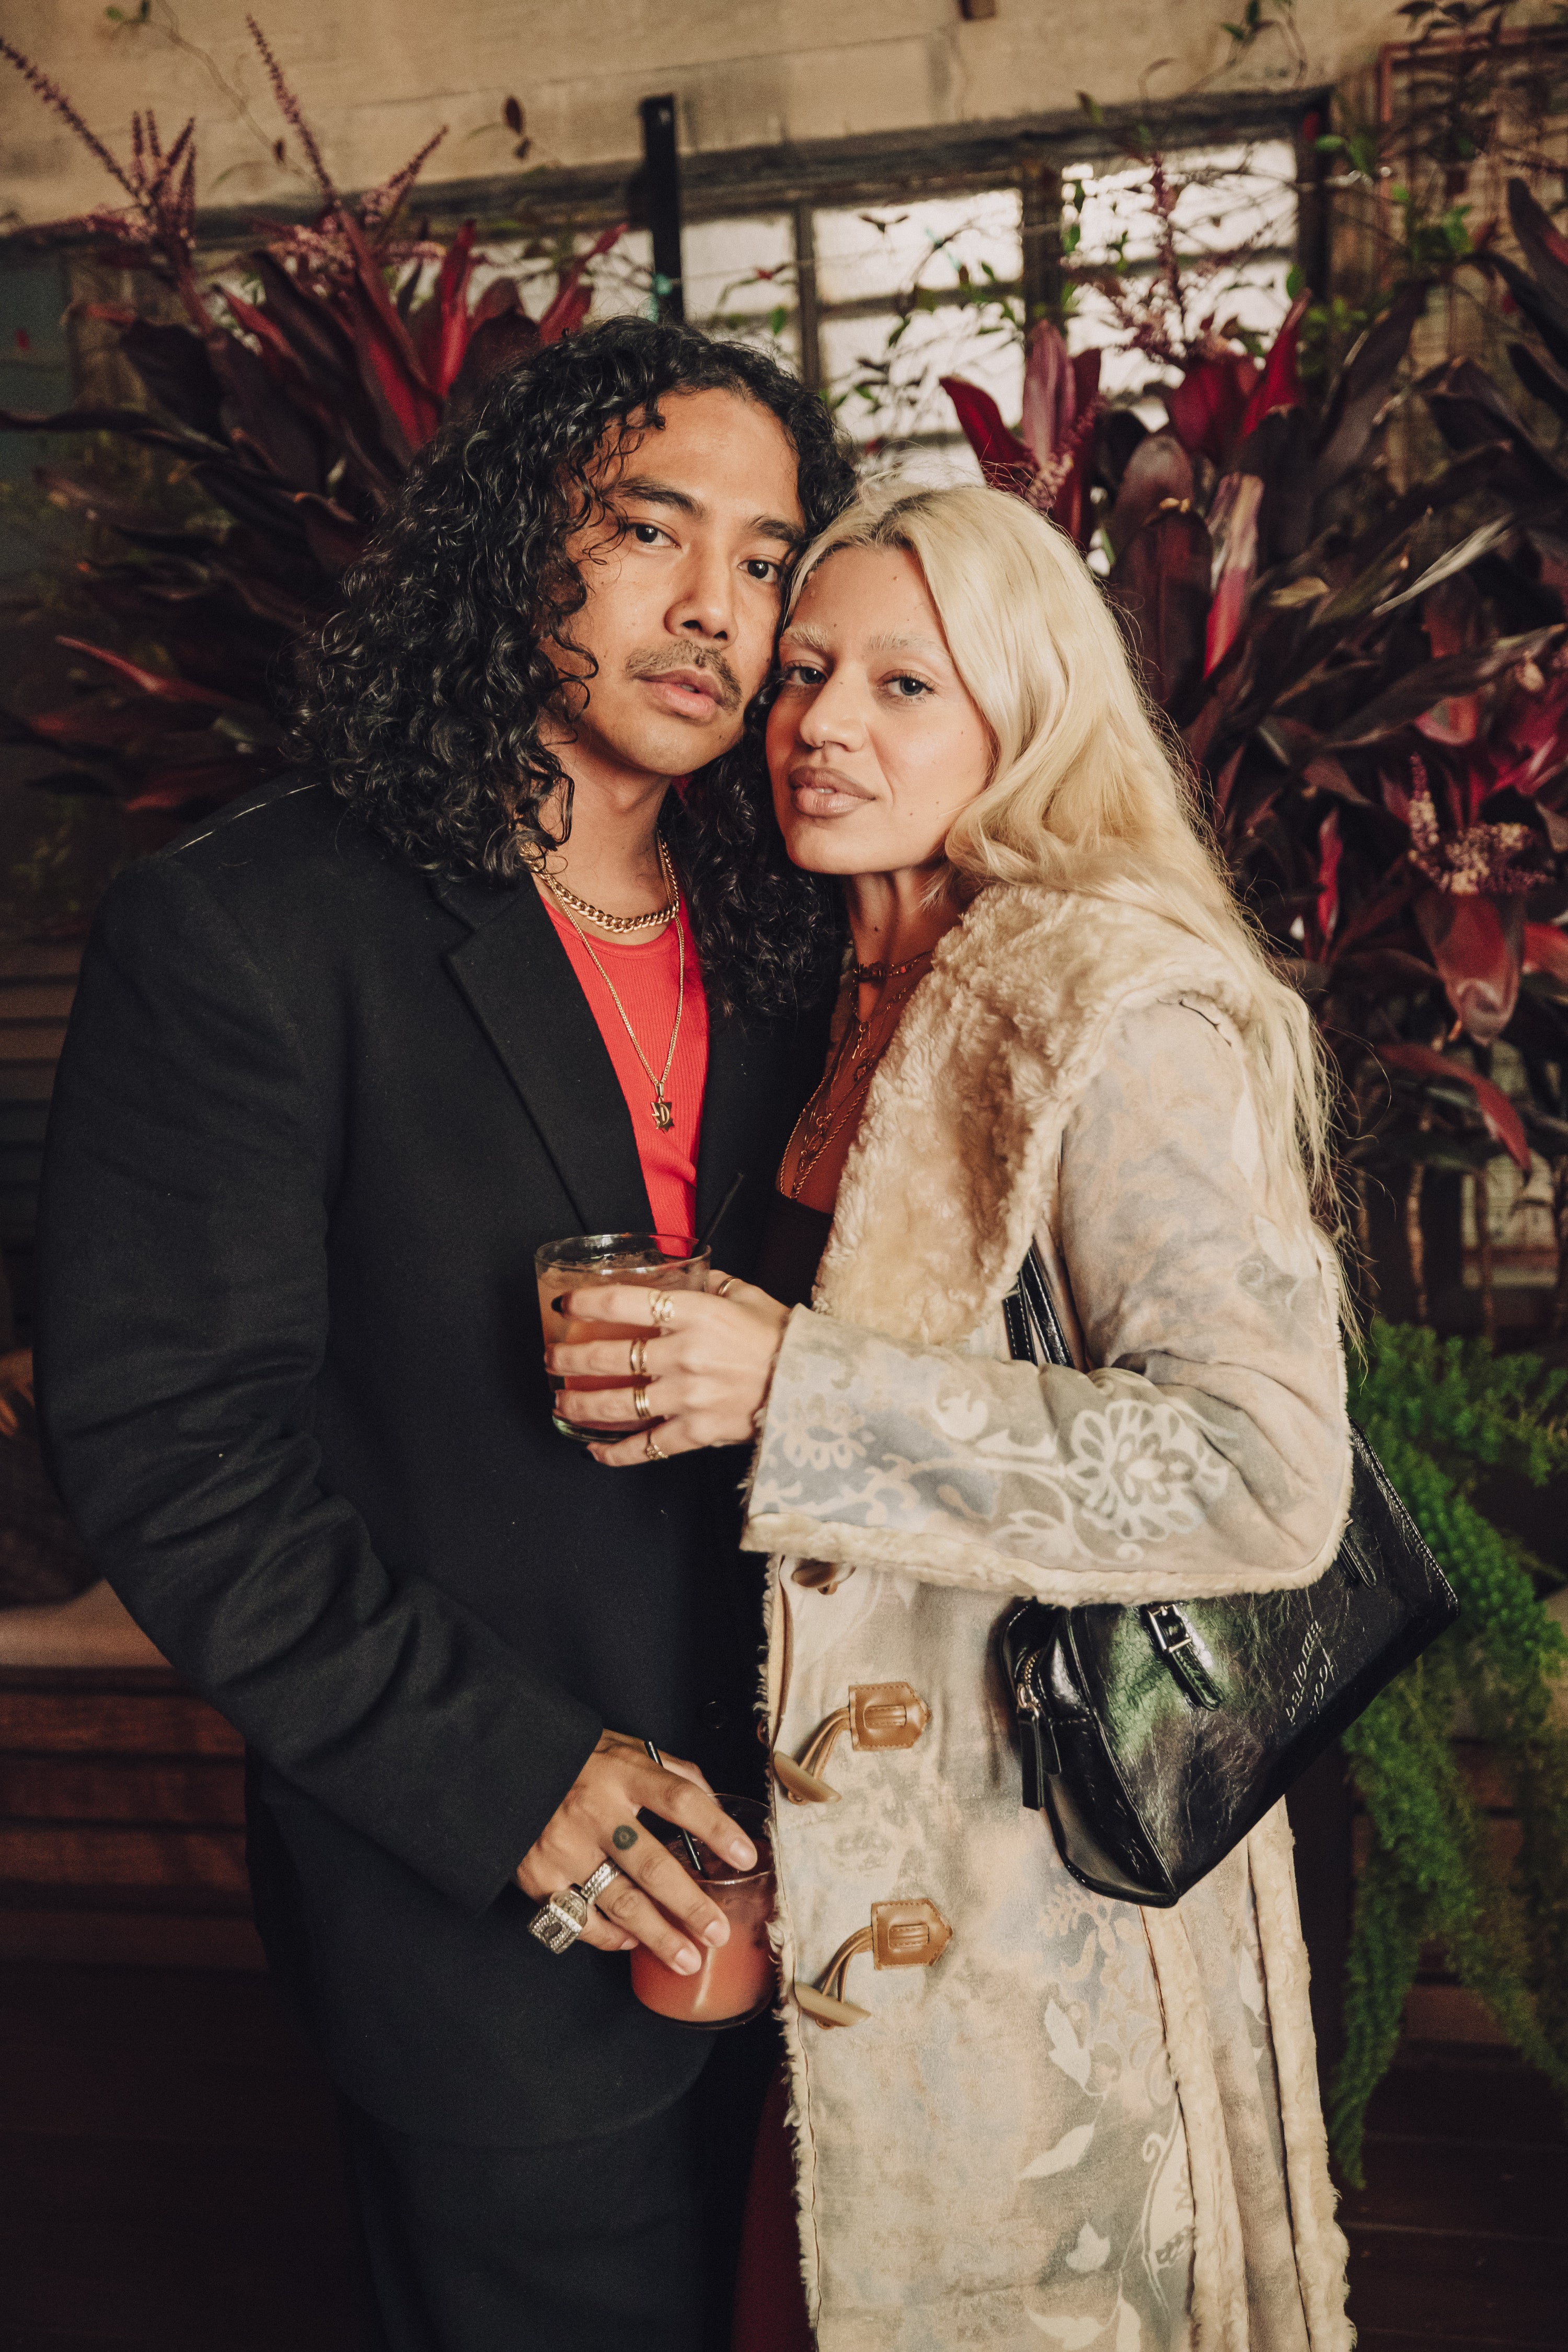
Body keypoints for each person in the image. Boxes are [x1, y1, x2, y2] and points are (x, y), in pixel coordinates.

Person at [34, 317, 855, 2352]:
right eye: (650, 528)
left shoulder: (807, 931)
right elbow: (171, 1452)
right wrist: (510, 1782)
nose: (714, 606)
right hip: (494, 1909)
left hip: (833, 1896)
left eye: (766, 560)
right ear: (511, 540)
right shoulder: (251, 928)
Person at [549, 483, 1356, 2349]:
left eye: (905, 683)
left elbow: (1267, 1474)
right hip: (821, 1895)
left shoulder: (1109, 1000)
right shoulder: (843, 989)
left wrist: (798, 1389)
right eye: (806, 672)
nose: (823, 723)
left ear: (1029, 712)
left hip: (1034, 1913)